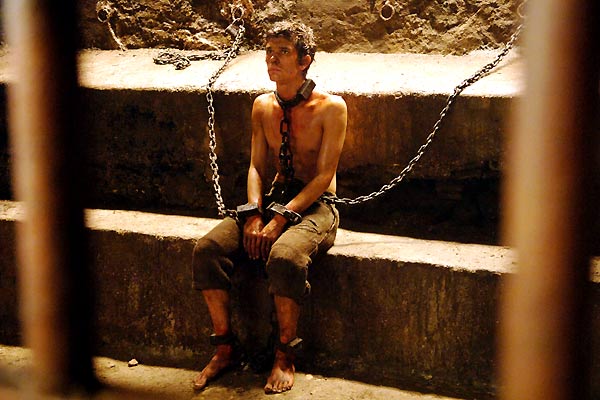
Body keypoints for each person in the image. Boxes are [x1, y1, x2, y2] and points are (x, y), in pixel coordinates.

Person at [191, 20, 347, 394]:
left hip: (316, 206)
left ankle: (284, 354)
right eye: (269, 52)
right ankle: (225, 348)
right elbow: (256, 168)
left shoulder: (331, 108)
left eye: (283, 53)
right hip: (273, 198)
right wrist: (253, 213)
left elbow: (324, 176)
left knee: (286, 258)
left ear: (305, 61)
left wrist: (280, 218)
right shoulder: (262, 105)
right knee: (208, 249)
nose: (271, 59)